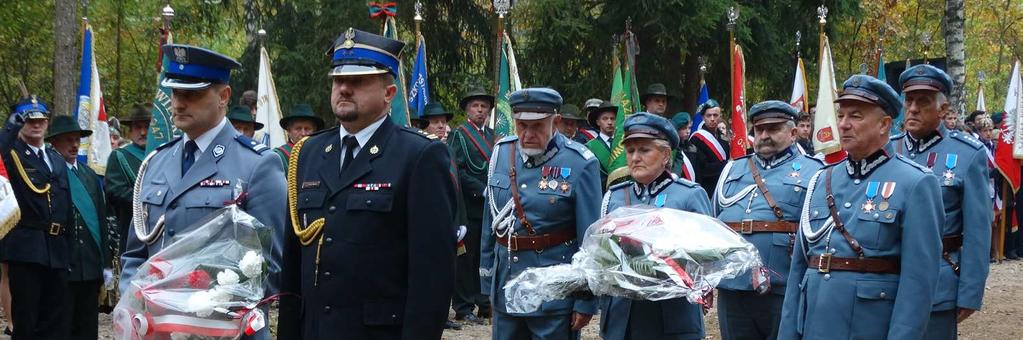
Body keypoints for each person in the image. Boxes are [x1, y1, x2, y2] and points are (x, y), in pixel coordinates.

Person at [277, 28, 457, 339]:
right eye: (338, 80)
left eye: (358, 81)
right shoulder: (308, 153)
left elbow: (433, 280)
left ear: (389, 93)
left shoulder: (420, 156)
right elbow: (293, 270)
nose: (344, 88)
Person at [119, 44, 287, 339]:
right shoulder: (155, 163)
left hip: (223, 332)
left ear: (223, 96)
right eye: (175, 93)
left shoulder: (258, 165)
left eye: (192, 94)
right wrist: (134, 300)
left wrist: (195, 307)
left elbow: (271, 266)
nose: (178, 104)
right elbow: (135, 253)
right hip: (154, 330)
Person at [778, 75, 943, 339]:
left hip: (868, 328)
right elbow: (800, 266)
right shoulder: (822, 179)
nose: (843, 125)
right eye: (841, 115)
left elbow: (918, 283)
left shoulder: (915, 183)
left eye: (855, 116)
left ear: (884, 124)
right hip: (813, 325)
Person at [481, 87, 600, 340]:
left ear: (555, 122)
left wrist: (585, 299)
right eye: (521, 125)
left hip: (553, 295)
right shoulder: (502, 153)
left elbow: (591, 240)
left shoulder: (580, 162)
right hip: (506, 286)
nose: (527, 134)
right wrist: (486, 281)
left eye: (536, 126)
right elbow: (490, 222)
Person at [889, 64, 992, 339]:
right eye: (908, 100)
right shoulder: (887, 150)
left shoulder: (968, 155)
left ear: (943, 110)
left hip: (938, 280)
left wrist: (970, 292)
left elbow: (978, 231)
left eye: (923, 102)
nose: (912, 109)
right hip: (885, 280)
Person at [713, 101, 824, 340]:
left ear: (793, 132)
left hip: (782, 284)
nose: (764, 135)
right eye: (759, 129)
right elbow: (715, 222)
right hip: (733, 285)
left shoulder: (814, 171)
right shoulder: (733, 169)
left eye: (773, 129)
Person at [600, 112, 711, 340]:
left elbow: (707, 256)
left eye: (644, 150)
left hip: (671, 314)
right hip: (624, 315)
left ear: (665, 155)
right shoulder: (615, 196)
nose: (635, 158)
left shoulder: (689, 196)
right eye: (630, 151)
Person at [0, 96, 73, 339]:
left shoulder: (55, 159)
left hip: (58, 249)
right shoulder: (12, 154)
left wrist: (69, 249)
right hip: (28, 249)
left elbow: (66, 205)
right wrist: (11, 125)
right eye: (29, 119)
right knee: (27, 321)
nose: (36, 124)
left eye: (41, 119)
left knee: (56, 322)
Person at [46, 115, 109, 340]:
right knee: (62, 327)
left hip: (90, 266)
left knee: (88, 327)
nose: (74, 145)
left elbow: (101, 219)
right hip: (63, 264)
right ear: (54, 142)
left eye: (76, 140)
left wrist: (106, 263)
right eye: (68, 140)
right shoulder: (48, 174)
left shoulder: (90, 175)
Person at [447, 87, 497, 325]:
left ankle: (483, 303)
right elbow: (457, 170)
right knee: (465, 258)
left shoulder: (493, 136)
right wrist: (481, 189)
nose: (480, 110)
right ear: (467, 109)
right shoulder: (459, 135)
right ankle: (463, 306)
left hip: (490, 207)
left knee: (484, 255)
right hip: (468, 205)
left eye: (484, 106)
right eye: (475, 106)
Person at [105, 103, 151, 253]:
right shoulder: (120, 156)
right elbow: (115, 192)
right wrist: (149, 200)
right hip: (133, 229)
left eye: (147, 127)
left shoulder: (165, 154)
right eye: (138, 127)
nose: (143, 132)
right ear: (130, 131)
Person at [689, 99, 730, 195]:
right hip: (706, 189)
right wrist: (726, 165)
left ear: (719, 116)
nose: (712, 119)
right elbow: (701, 168)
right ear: (703, 117)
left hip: (724, 187)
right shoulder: (696, 139)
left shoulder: (724, 139)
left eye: (715, 115)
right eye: (709, 115)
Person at [273, 103, 325, 169]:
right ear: (289, 131)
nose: (303, 133)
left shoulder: (322, 154)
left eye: (307, 129)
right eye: (298, 128)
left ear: (314, 131)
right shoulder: (279, 156)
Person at [586, 102, 619, 188]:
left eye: (613, 119)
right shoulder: (590, 147)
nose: (609, 122)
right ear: (598, 122)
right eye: (605, 119)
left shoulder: (623, 143)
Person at [670, 112, 696, 182]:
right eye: (684, 128)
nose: (688, 131)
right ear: (676, 128)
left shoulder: (692, 148)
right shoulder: (671, 147)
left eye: (689, 128)